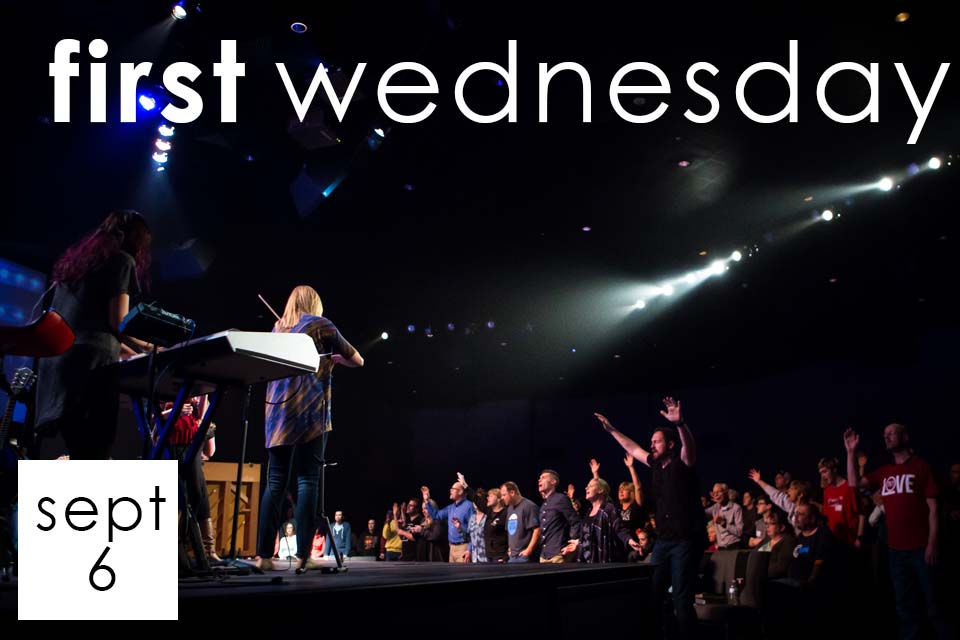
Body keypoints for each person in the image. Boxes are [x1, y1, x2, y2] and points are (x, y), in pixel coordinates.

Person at [254, 286, 363, 573]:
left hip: (276, 415)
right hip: (309, 414)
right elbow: (357, 359)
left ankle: (263, 556)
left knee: (275, 483)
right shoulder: (320, 324)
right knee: (307, 482)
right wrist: (334, 359)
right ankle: (303, 556)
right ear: (314, 303)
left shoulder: (278, 328)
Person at [36, 210, 154, 459]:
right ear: (136, 239)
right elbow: (119, 322)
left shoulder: (76, 267)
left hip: (58, 369)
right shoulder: (123, 260)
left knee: (81, 452)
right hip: (91, 370)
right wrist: (150, 347)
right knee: (97, 453)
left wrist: (135, 352)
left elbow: (93, 329)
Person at [596, 397, 705, 640]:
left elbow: (689, 448)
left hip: (686, 541)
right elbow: (633, 448)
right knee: (653, 595)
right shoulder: (655, 465)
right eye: (652, 441)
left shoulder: (683, 463)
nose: (652, 445)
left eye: (657, 441)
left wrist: (680, 423)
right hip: (663, 541)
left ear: (671, 444)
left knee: (681, 598)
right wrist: (612, 430)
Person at [845, 424, 952, 639]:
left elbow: (934, 509)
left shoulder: (921, 467)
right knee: (905, 606)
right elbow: (854, 483)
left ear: (905, 436)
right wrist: (851, 452)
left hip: (921, 548)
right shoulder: (885, 471)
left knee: (935, 604)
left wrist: (932, 543)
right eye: (884, 434)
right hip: (896, 551)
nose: (886, 437)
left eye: (891, 433)